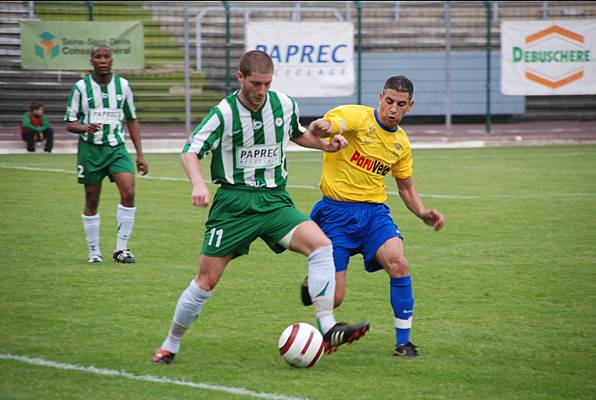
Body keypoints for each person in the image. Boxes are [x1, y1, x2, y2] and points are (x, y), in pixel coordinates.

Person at [151, 50, 369, 365]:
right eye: (256, 83)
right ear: (240, 77)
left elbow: (296, 133)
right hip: (234, 204)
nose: (261, 91)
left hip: (274, 201)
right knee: (206, 281)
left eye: (267, 83)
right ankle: (170, 344)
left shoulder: (283, 104)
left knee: (322, 246)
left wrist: (325, 145)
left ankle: (328, 327)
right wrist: (198, 184)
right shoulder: (223, 113)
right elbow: (191, 150)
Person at [301, 76, 445, 357]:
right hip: (336, 214)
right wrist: (323, 127)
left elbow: (405, 187)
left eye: (400, 104)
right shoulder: (358, 117)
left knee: (399, 263)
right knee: (336, 298)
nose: (393, 108)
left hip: (373, 215)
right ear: (380, 97)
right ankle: (316, 290)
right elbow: (333, 124)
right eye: (389, 101)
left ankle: (403, 342)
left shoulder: (401, 143)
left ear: (410, 106)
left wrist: (423, 213)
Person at [64, 44, 148, 264]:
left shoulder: (123, 86)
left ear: (112, 60)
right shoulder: (81, 88)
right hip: (90, 151)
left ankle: (121, 249)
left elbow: (132, 119)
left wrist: (140, 154)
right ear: (91, 61)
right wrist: (85, 127)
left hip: (116, 148)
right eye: (98, 57)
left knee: (129, 192)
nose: (102, 60)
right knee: (92, 199)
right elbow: (69, 123)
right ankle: (94, 251)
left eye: (106, 56)